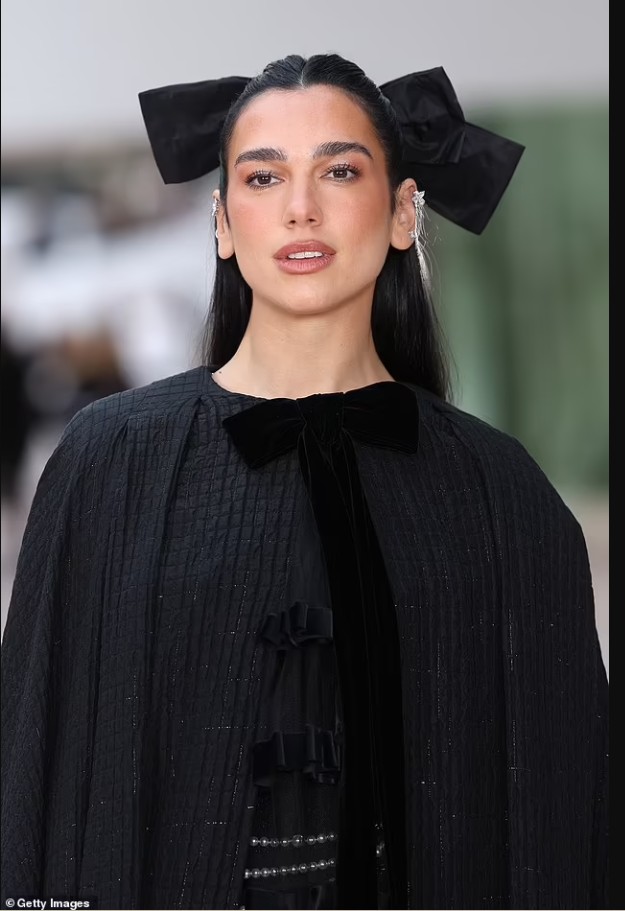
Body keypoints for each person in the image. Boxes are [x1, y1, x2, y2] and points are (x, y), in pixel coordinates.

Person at [0, 53, 608, 911]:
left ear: (402, 211)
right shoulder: (110, 462)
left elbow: (566, 806)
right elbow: (32, 766)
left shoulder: (501, 492)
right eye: (263, 176)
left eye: (339, 171)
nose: (300, 207)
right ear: (221, 223)